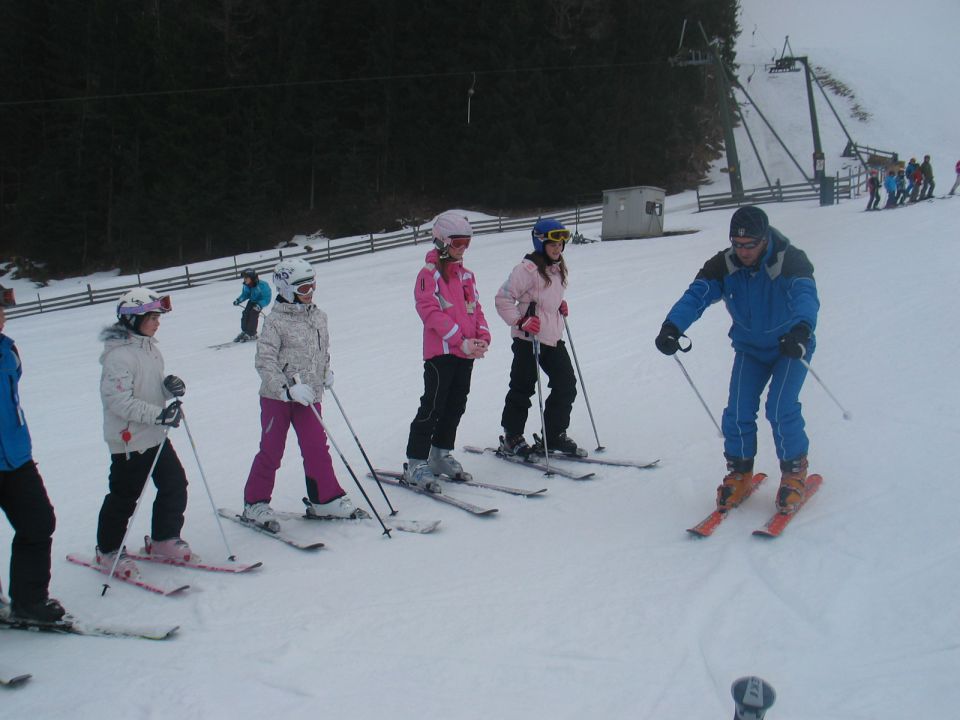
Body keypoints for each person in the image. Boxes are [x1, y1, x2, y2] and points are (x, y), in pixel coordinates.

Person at [654, 205, 820, 515]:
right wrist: (672, 326)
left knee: (780, 408)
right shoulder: (724, 265)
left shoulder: (790, 260)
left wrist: (801, 329)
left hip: (790, 346)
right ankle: (740, 471)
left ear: (765, 239)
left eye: (750, 245)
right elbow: (697, 295)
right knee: (738, 411)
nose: (743, 252)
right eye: (737, 244)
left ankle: (794, 470)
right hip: (750, 349)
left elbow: (805, 296)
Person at [241, 258, 363, 527]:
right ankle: (255, 503)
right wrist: (286, 391)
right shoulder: (274, 322)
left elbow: (321, 352)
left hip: (309, 396)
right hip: (278, 399)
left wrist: (325, 373)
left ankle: (325, 499)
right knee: (272, 451)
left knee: (316, 446)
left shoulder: (319, 317)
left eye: (313, 286)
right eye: (305, 289)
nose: (311, 293)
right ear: (286, 290)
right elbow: (264, 361)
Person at [96, 288, 194, 579]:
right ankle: (108, 550)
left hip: (154, 434)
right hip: (128, 440)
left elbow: (148, 389)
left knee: (174, 484)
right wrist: (159, 414)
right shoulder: (118, 357)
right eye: (152, 317)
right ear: (131, 320)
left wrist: (168, 388)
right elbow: (119, 401)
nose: (157, 322)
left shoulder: (149, 348)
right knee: (125, 497)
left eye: (158, 317)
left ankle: (164, 538)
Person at [401, 212, 491, 492]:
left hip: (465, 353)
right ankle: (416, 461)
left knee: (456, 404)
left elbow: (475, 308)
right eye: (458, 243)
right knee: (433, 406)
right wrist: (459, 340)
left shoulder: (467, 276)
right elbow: (430, 312)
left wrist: (482, 336)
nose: (463, 248)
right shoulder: (429, 275)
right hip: (441, 354)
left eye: (467, 243)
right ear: (441, 242)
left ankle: (439, 453)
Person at [0, 286, 66, 622]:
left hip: (15, 456)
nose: (2, 317)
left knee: (38, 523)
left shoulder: (7, 350)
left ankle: (28, 603)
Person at [495, 218, 583, 460]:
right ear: (540, 242)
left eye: (561, 243)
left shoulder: (557, 268)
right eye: (553, 243)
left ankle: (553, 434)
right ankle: (512, 436)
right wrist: (520, 321)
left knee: (566, 385)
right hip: (528, 339)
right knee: (523, 387)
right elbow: (503, 298)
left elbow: (546, 299)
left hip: (552, 338)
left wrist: (558, 306)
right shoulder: (526, 269)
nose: (558, 248)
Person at [232, 268, 272, 342]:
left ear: (252, 278)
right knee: (245, 313)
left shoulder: (262, 285)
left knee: (253, 314)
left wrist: (260, 304)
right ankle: (245, 331)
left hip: (260, 302)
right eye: (244, 278)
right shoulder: (247, 285)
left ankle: (252, 333)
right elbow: (245, 294)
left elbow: (267, 298)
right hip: (252, 301)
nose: (245, 280)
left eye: (246, 278)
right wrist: (239, 300)